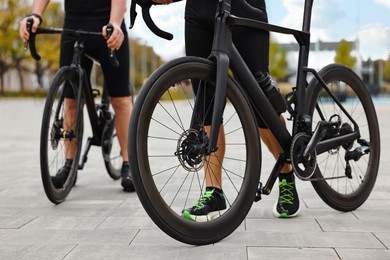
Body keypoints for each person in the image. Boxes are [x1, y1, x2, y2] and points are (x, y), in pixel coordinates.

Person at [153, 0, 300, 218]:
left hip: (243, 6)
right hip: (198, 10)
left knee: (259, 102)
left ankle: (286, 173)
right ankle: (214, 192)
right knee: (206, 100)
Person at [19, 0, 135, 192]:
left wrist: (115, 22)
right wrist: (35, 15)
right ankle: (69, 165)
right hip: (73, 24)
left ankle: (129, 164)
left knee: (120, 99)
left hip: (107, 24)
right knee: (71, 101)